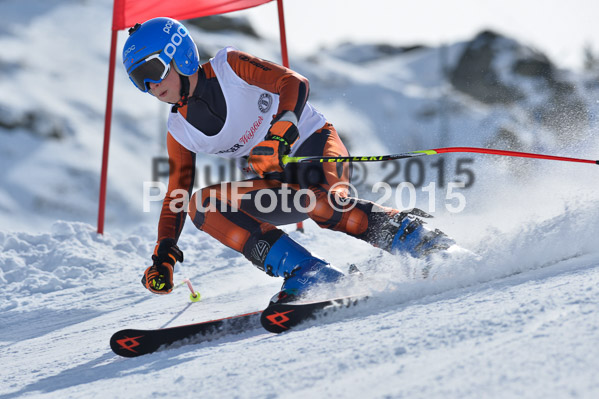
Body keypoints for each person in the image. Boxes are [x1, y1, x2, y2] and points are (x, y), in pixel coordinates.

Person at [122, 17, 456, 303]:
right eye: (139, 80)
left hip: (315, 147)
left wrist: (280, 135)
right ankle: (309, 273)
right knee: (201, 204)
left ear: (177, 54)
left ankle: (420, 240)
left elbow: (292, 82)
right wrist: (164, 252)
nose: (150, 86)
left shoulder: (229, 66)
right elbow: (175, 193)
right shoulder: (179, 127)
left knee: (321, 204)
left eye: (152, 70)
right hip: (277, 185)